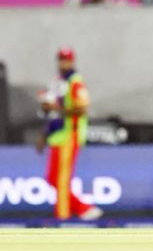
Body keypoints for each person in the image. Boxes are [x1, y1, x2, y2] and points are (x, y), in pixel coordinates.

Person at [36, 48, 103, 221]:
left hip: (69, 135)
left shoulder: (75, 82)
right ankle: (83, 208)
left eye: (66, 60)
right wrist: (44, 135)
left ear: (73, 61)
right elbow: (52, 112)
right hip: (56, 136)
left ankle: (62, 218)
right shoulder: (58, 82)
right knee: (52, 178)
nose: (63, 63)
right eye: (60, 59)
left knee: (62, 179)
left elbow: (82, 109)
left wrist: (55, 108)